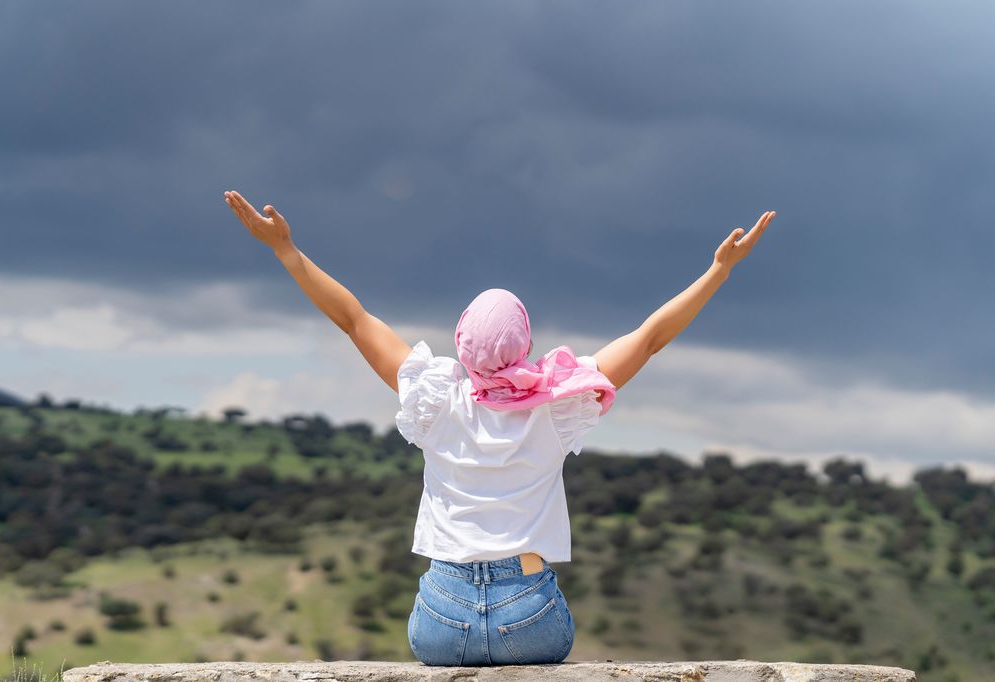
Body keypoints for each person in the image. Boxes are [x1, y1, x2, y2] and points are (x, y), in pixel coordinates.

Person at [223, 189, 776, 665]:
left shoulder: (432, 400)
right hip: (527, 611)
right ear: (526, 344)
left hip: (443, 614)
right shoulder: (557, 404)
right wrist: (718, 270)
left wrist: (287, 251)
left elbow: (354, 319)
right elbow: (651, 336)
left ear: (460, 343)